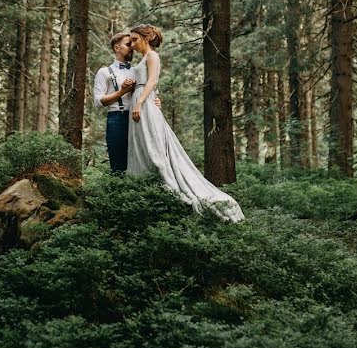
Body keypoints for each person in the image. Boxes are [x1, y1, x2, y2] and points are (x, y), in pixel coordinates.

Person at [126, 24, 245, 223]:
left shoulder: (152, 56)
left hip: (143, 104)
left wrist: (140, 102)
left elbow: (153, 81)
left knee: (153, 147)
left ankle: (166, 187)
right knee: (141, 147)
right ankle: (143, 190)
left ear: (145, 38)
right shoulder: (143, 59)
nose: (133, 44)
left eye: (135, 39)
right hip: (142, 101)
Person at [92, 31, 160, 173]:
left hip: (139, 118)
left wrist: (156, 101)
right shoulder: (104, 72)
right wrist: (122, 92)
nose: (133, 47)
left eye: (134, 43)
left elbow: (152, 89)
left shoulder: (138, 70)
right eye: (128, 44)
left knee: (141, 160)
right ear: (117, 48)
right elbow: (98, 102)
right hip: (117, 119)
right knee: (118, 164)